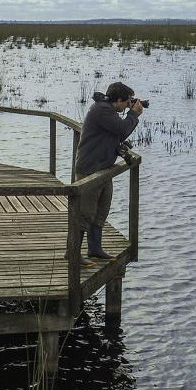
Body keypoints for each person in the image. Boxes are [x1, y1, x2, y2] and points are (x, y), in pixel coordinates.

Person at [72, 81, 144, 266]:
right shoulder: (102, 110)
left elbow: (118, 133)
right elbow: (122, 129)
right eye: (127, 101)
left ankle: (95, 249)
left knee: (100, 212)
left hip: (102, 169)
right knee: (84, 214)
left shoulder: (108, 111)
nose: (129, 104)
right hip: (90, 170)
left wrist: (131, 114)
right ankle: (72, 254)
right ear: (118, 100)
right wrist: (133, 114)